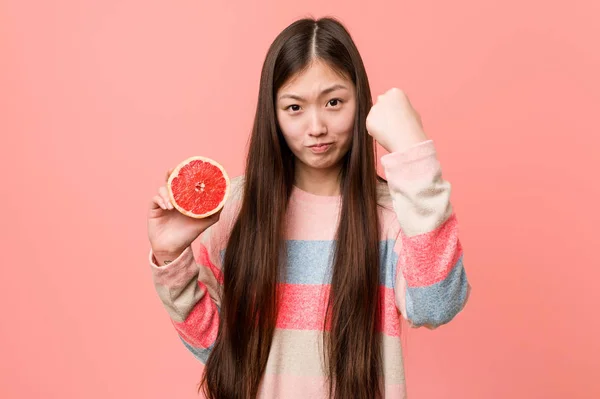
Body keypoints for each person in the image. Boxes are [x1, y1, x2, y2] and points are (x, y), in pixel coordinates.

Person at [147, 16, 470, 399]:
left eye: (334, 102)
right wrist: (169, 258)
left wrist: (415, 157)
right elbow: (220, 350)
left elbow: (437, 306)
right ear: (273, 113)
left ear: (360, 101)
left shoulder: (394, 215)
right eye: (295, 107)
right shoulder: (238, 209)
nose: (316, 126)